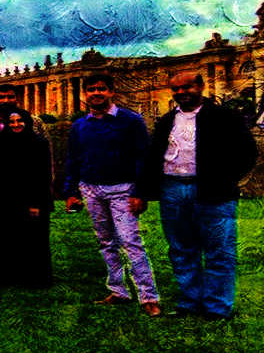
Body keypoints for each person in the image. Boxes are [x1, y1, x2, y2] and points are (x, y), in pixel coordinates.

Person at [138, 71, 257, 320]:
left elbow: (247, 152)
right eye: (176, 89)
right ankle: (189, 301)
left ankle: (217, 307)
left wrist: (226, 178)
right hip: (172, 189)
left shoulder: (224, 116)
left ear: (200, 86)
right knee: (181, 248)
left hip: (214, 191)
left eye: (187, 87)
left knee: (219, 249)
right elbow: (152, 156)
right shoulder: (167, 120)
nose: (181, 92)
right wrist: (144, 191)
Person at [64, 73, 161, 317]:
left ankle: (148, 296)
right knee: (106, 242)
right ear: (85, 94)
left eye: (101, 89)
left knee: (130, 241)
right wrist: (71, 191)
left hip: (123, 189)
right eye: (92, 89)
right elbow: (73, 160)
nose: (96, 93)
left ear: (111, 92)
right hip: (91, 189)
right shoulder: (79, 125)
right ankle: (118, 291)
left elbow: (144, 158)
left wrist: (140, 192)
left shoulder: (131, 120)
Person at [0, 82, 47, 284]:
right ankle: (1, 269)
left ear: (16, 98)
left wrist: (44, 193)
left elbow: (46, 158)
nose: (6, 101)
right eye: (1, 97)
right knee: (0, 231)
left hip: (30, 187)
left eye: (10, 97)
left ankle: (33, 273)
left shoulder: (35, 122)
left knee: (30, 232)